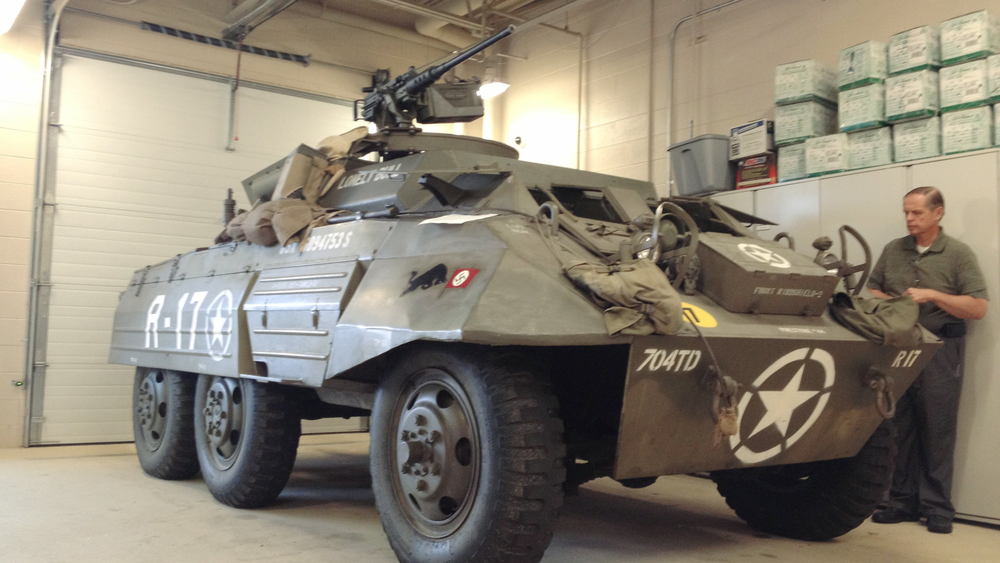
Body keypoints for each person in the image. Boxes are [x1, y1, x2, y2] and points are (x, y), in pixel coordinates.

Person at [868, 186, 988, 534]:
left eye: (917, 213)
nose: (909, 219)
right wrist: (894, 304)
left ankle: (938, 508)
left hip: (940, 350)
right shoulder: (894, 250)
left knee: (938, 428)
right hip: (898, 349)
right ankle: (901, 501)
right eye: (906, 212)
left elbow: (978, 308)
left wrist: (933, 295)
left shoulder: (958, 254)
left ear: (938, 213)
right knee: (897, 425)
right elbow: (873, 289)